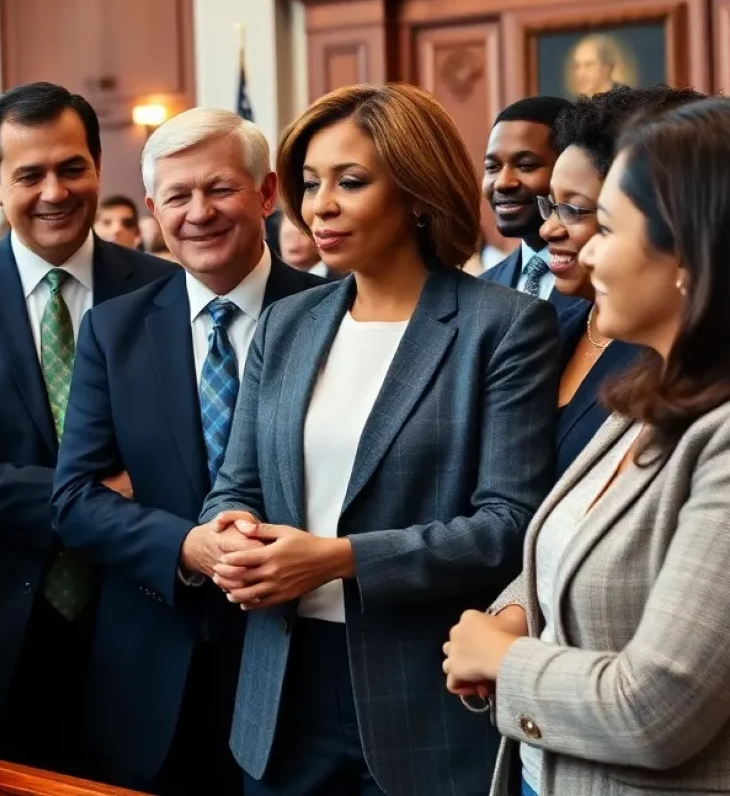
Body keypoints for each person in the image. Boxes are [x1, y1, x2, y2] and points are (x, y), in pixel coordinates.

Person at [200, 84, 560, 796]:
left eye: (350, 181)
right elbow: (236, 480)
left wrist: (337, 560)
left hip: (426, 696)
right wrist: (229, 534)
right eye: (308, 184)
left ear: (419, 192)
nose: (319, 206)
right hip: (281, 690)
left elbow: (509, 526)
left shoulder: (505, 326)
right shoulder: (286, 324)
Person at [0, 82, 177, 769]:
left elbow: (187, 455)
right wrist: (92, 497)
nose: (54, 191)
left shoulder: (162, 288)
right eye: (29, 174)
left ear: (99, 169)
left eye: (71, 168)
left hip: (138, 613)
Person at [444, 97, 730, 796]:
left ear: (687, 252)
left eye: (605, 225)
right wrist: (514, 608)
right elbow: (577, 534)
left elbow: (657, 706)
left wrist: (504, 659)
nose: (581, 247)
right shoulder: (651, 390)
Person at [52, 109, 322, 795]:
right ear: (152, 209)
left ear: (266, 194)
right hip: (152, 665)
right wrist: (188, 548)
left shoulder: (333, 313)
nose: (198, 212)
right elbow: (75, 501)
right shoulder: (114, 330)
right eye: (177, 195)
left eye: (219, 189)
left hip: (305, 665)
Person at [543, 86, 703, 477]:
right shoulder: (549, 321)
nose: (548, 228)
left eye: (574, 210)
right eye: (549, 203)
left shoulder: (675, 350)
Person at [481, 96, 578, 314]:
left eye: (525, 165)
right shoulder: (483, 288)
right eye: (492, 167)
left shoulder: (601, 282)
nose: (503, 182)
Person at [278, 210, 340, 279]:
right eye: (288, 236)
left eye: (302, 234)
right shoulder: (272, 281)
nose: (294, 243)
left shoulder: (343, 278)